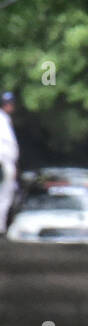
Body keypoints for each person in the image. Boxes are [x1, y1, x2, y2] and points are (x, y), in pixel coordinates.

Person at [0, 91, 19, 236]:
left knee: (7, 196)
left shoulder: (5, 119)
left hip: (7, 162)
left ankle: (2, 226)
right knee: (4, 196)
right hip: (3, 162)